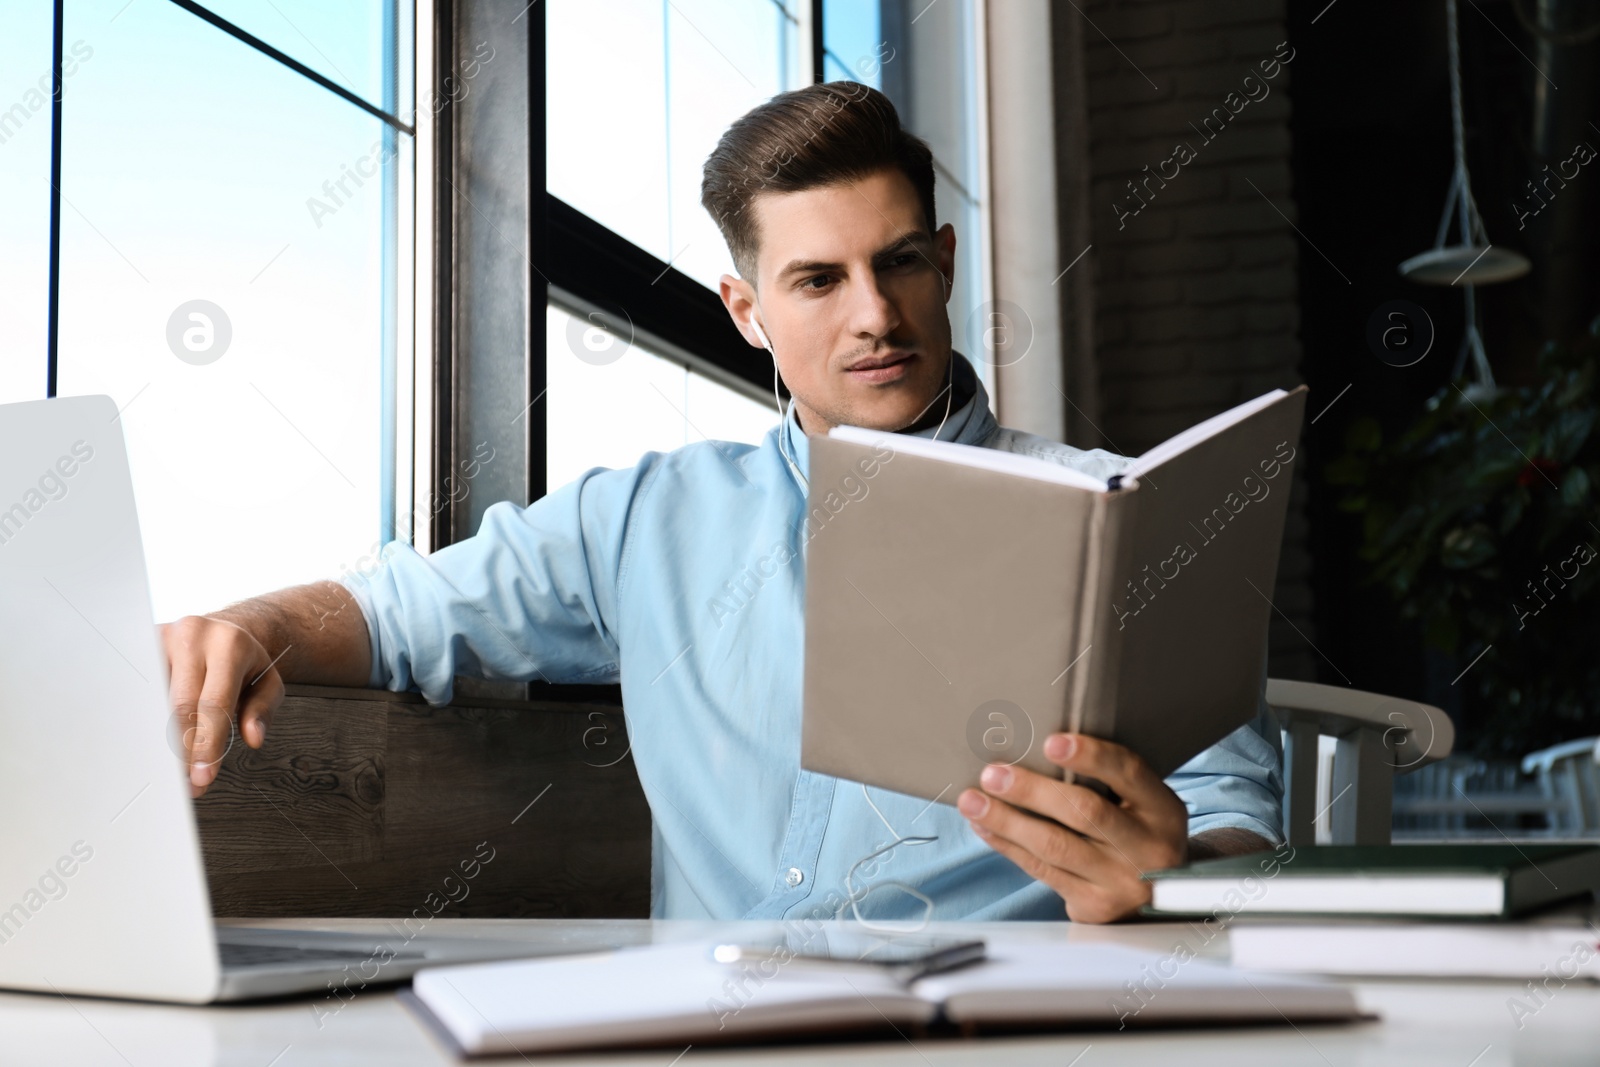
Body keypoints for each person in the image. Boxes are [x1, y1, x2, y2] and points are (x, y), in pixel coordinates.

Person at [162, 81, 1282, 924]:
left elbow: (1236, 821)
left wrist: (1172, 882)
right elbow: (399, 610)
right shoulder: (646, 519)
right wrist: (252, 625)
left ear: (944, 262)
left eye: (899, 264)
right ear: (745, 309)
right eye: (818, 280)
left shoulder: (1112, 511)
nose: (874, 316)